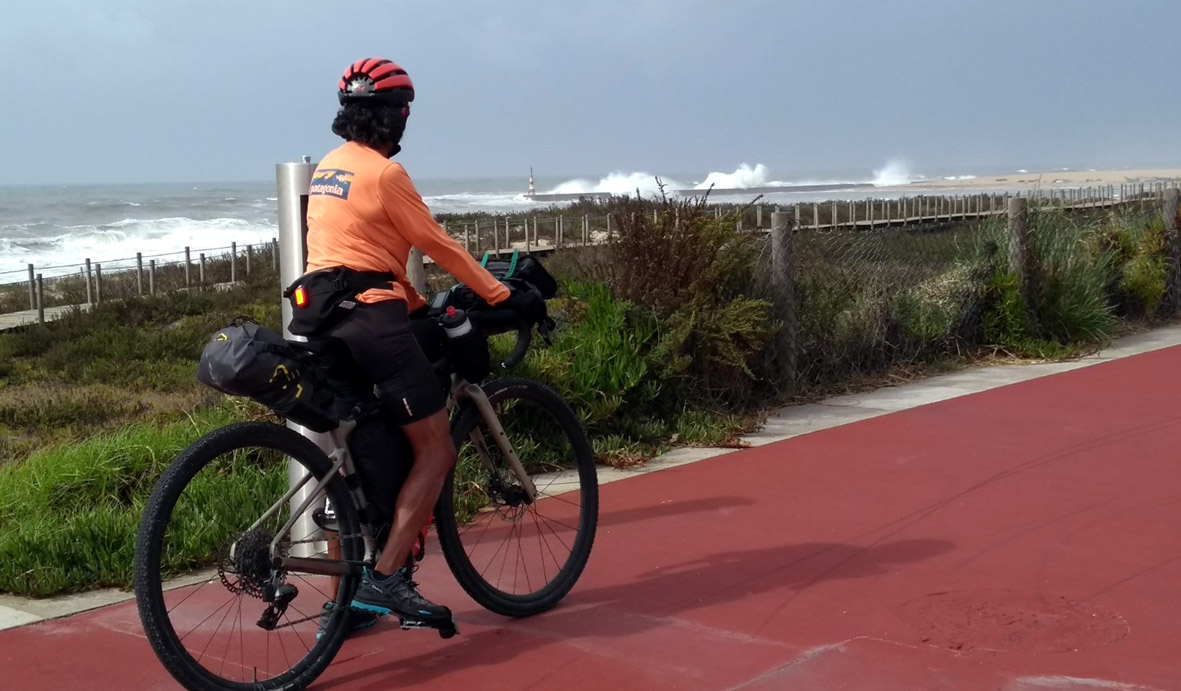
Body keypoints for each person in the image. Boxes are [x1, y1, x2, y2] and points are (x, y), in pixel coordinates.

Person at [293, 57, 539, 634]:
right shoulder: (386, 175)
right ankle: (385, 577)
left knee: (359, 456)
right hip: (371, 322)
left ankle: (347, 601)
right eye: (404, 112)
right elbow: (437, 245)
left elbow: (355, 252)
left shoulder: (329, 168)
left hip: (321, 315)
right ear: (394, 117)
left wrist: (415, 305)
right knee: (436, 450)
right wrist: (500, 293)